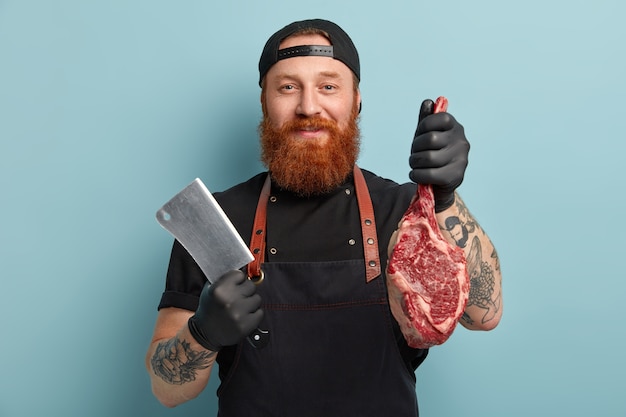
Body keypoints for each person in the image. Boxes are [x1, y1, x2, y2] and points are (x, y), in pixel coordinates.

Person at [145, 18, 503, 416]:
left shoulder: (405, 212)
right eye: (288, 87)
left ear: (356, 101)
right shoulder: (214, 221)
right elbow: (166, 390)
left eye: (328, 86)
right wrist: (203, 333)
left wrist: (446, 198)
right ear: (265, 102)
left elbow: (483, 315)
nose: (308, 107)